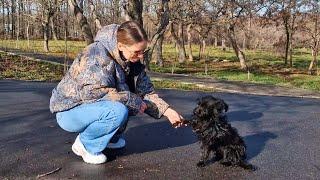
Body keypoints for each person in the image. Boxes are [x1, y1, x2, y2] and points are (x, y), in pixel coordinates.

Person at [49, 21, 185, 164]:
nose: (141, 56)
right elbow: (93, 93)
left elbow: (145, 91)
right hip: (69, 112)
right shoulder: (96, 54)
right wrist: (132, 99)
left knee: (126, 103)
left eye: (143, 51)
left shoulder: (132, 61)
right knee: (118, 110)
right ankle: (86, 144)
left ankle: (109, 138)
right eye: (137, 52)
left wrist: (168, 111)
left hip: (93, 108)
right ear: (120, 46)